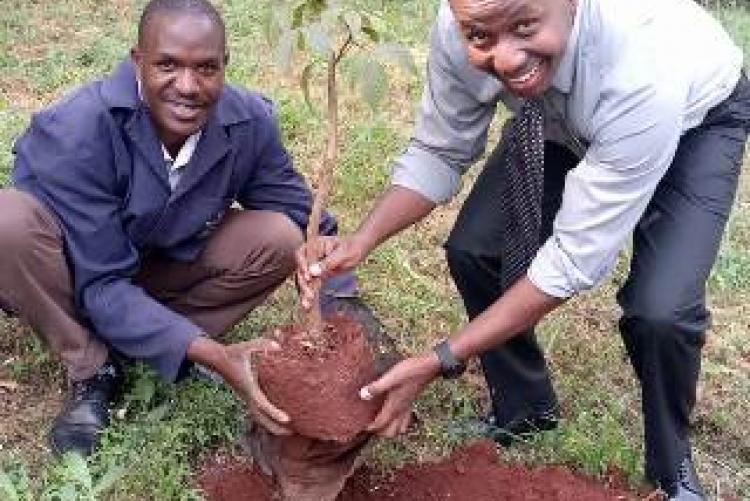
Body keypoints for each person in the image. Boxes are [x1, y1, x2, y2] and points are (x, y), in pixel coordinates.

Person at [295, 0, 750, 499]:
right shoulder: (464, 22)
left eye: (525, 27)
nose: (507, 59)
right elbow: (440, 149)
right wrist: (362, 240)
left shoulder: (641, 63)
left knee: (661, 310)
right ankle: (525, 409)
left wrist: (441, 357)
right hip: (558, 118)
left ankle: (672, 469)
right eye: (481, 37)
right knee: (476, 250)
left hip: (695, 122)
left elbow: (572, 260)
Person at [0, 0, 356, 457]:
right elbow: (103, 285)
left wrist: (344, 300)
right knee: (7, 224)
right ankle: (93, 367)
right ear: (137, 62)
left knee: (281, 238)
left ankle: (155, 344)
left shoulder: (246, 121)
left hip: (157, 262)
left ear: (225, 66)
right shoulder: (78, 130)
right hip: (74, 271)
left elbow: (307, 220)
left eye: (206, 68)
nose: (187, 87)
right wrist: (218, 355)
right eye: (167, 65)